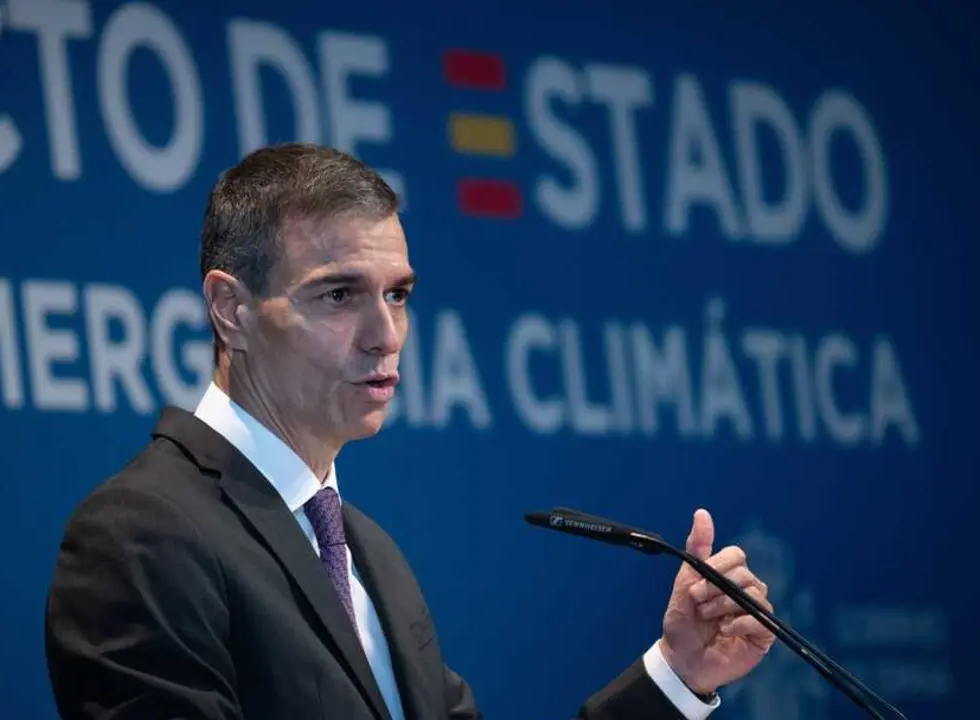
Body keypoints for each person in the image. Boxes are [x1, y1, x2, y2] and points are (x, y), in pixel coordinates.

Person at [43, 143, 777, 719]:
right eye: (339, 295)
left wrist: (678, 676)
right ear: (231, 311)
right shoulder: (143, 533)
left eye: (398, 295)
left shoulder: (369, 555)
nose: (385, 334)